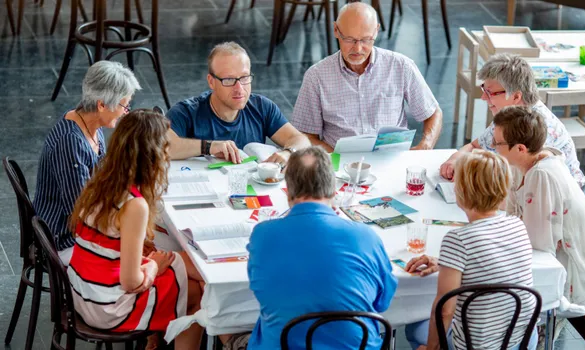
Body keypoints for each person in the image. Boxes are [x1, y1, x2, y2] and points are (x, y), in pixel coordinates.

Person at [224, 146, 397, 349]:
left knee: (230, 330)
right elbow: (382, 303)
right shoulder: (366, 236)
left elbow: (262, 295)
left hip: (283, 344)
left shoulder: (262, 235)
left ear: (287, 192)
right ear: (334, 190)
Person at [67, 110, 205, 349]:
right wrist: (152, 266)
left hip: (81, 291)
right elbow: (131, 282)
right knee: (198, 294)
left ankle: (156, 335)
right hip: (107, 307)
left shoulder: (102, 181)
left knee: (181, 264)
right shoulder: (134, 204)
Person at [439, 54, 585, 235]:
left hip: (574, 219)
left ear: (516, 96)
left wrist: (472, 194)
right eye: (484, 89)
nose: (483, 97)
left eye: (490, 92)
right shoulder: (510, 116)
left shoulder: (536, 130)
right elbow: (474, 146)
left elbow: (526, 199)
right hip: (545, 212)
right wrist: (456, 159)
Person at [403, 150, 538, 350]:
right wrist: (446, 262)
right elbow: (491, 261)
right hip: (521, 341)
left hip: (477, 346)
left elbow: (445, 311)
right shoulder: (517, 225)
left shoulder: (458, 240)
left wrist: (432, 349)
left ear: (461, 191)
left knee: (413, 329)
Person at [495, 106, 585, 316]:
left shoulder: (542, 176)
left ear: (521, 148)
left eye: (498, 143)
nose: (493, 146)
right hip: (577, 269)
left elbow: (539, 246)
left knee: (496, 301)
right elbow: (510, 211)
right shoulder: (524, 163)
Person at [290, 2, 442, 152]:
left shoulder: (401, 66)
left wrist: (426, 145)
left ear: (376, 31)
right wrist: (335, 157)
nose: (357, 48)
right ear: (336, 30)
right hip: (340, 162)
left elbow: (433, 113)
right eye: (349, 39)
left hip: (392, 158)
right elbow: (305, 134)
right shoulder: (316, 76)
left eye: (365, 39)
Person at [33, 61, 140, 266]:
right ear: (102, 104)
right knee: (137, 251)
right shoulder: (70, 143)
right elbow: (80, 213)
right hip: (63, 240)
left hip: (78, 222)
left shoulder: (89, 121)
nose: (126, 111)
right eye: (124, 105)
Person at [166, 41, 310, 166]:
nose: (239, 88)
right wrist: (208, 147)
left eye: (244, 78)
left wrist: (288, 152)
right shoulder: (186, 112)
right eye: (229, 80)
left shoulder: (262, 107)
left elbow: (301, 140)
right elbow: (160, 147)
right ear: (211, 81)